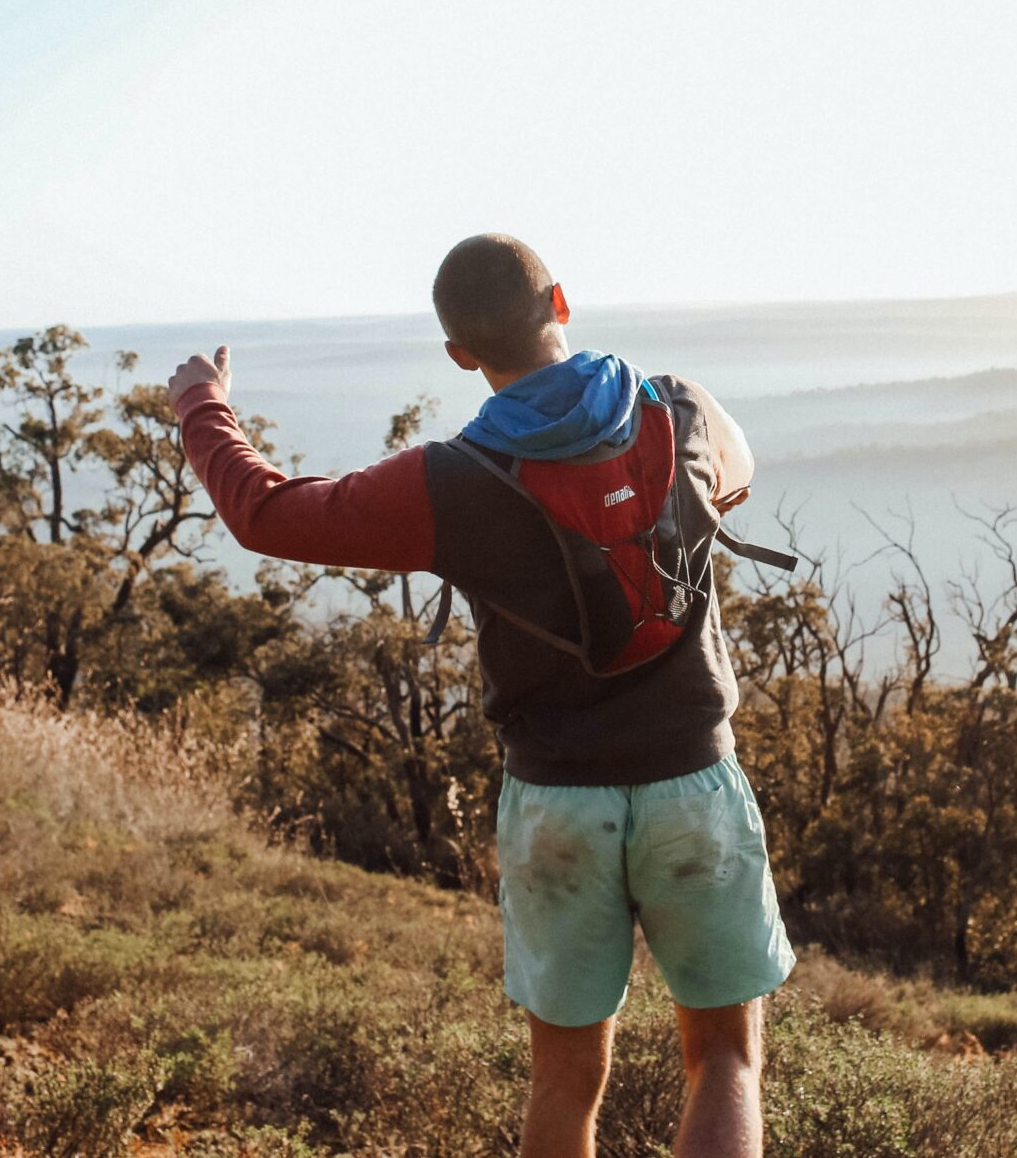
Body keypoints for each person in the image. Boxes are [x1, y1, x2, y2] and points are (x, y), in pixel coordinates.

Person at [166, 233, 794, 1158]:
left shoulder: (449, 482)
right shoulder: (681, 407)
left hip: (557, 804)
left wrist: (200, 403)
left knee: (567, 1077)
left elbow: (264, 512)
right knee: (728, 1059)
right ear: (562, 303)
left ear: (460, 353)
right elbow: (735, 474)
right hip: (692, 782)